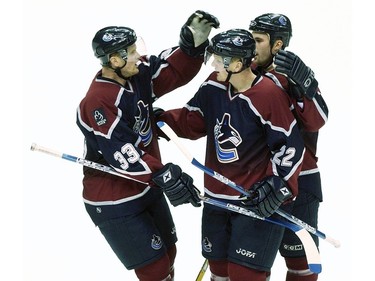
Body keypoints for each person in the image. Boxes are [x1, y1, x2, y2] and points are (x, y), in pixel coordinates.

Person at [75, 11, 219, 281]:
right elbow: (123, 155)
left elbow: (170, 70)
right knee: (153, 268)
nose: (137, 56)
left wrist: (191, 48)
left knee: (169, 253)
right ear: (114, 60)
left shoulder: (136, 73)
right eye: (130, 52)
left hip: (144, 185)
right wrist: (162, 173)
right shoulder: (98, 101)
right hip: (113, 196)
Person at [156, 29, 305, 281]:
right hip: (216, 200)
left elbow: (290, 148)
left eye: (219, 58)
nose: (213, 64)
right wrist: (158, 119)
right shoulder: (214, 85)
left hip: (253, 203)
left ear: (237, 63)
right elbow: (192, 121)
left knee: (245, 275)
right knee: (219, 273)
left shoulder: (268, 94)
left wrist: (278, 187)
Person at [249, 13, 329, 281]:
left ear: (278, 45)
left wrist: (303, 82)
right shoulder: (243, 75)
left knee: (302, 263)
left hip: (301, 181)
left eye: (258, 39)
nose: (251, 45)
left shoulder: (292, 76)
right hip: (258, 184)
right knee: (250, 264)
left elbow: (319, 119)